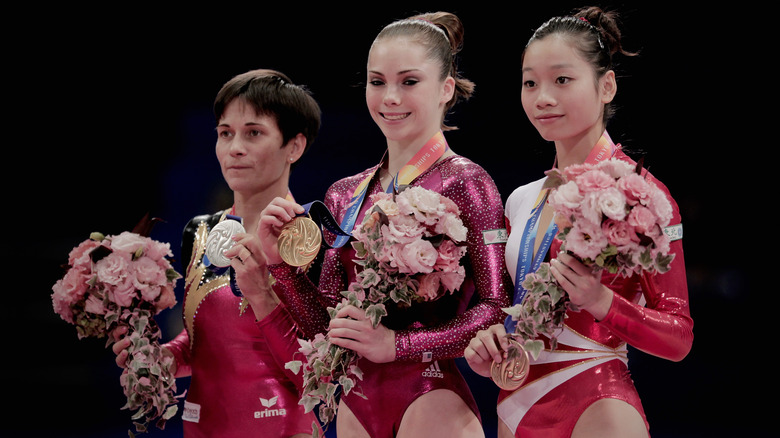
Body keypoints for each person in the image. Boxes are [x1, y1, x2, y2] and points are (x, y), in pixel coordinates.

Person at [259, 12, 513, 438]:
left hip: (431, 397)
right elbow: (327, 327)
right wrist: (280, 268)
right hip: (356, 405)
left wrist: (398, 345)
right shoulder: (345, 193)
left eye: (409, 82)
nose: (389, 97)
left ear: (445, 88)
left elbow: (495, 310)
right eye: (377, 82)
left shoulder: (468, 183)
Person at [464, 7, 694, 438]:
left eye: (562, 80)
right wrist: (488, 346)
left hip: (598, 404)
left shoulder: (642, 195)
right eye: (530, 82)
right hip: (515, 403)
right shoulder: (520, 200)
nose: (542, 97)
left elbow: (679, 337)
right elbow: (511, 309)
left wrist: (601, 302)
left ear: (606, 85)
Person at [112, 69, 323, 437]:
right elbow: (202, 345)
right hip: (201, 427)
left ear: (295, 146)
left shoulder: (310, 238)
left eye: (253, 133)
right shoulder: (199, 232)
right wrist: (162, 360)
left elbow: (316, 375)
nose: (234, 148)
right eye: (225, 134)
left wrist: (260, 294)